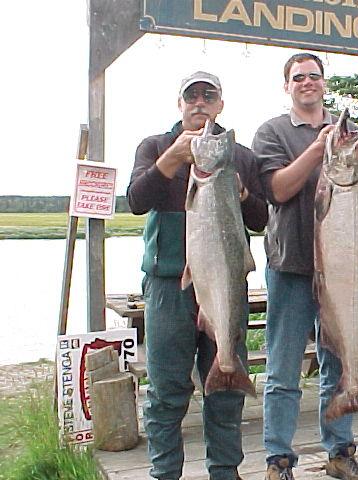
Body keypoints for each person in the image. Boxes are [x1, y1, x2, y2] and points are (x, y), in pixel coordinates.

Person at [127, 71, 268, 480]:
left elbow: (261, 219)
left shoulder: (238, 154)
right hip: (168, 285)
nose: (200, 102)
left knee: (224, 393)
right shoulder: (154, 146)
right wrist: (172, 157)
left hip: (225, 281)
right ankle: (164, 473)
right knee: (167, 390)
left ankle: (226, 472)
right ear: (181, 103)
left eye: (209, 96)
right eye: (193, 96)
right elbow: (136, 200)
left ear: (220, 105)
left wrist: (241, 194)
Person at [252, 53, 358, 480]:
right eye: (298, 77)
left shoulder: (350, 132)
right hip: (292, 265)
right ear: (287, 86)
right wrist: (318, 149)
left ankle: (340, 451)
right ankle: (278, 459)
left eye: (314, 77)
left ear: (324, 83)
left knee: (337, 363)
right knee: (283, 369)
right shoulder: (272, 132)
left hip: (343, 271)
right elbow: (277, 190)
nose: (307, 83)